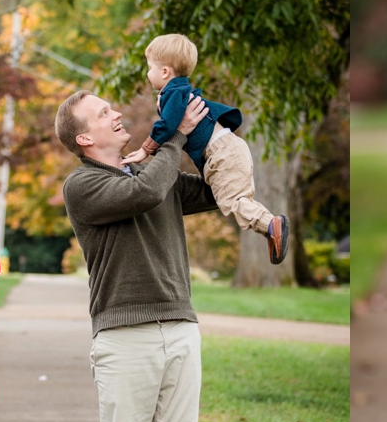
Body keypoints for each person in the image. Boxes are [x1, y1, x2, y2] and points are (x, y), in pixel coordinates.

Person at [56, 88, 217, 422]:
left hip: (180, 329)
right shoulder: (83, 184)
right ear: (84, 137)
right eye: (103, 112)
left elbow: (216, 190)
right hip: (124, 337)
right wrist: (168, 139)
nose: (115, 113)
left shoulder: (151, 169)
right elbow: (147, 192)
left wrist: (203, 138)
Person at [120, 33, 289, 264]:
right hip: (228, 149)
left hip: (222, 153)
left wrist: (146, 150)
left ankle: (271, 224)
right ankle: (270, 231)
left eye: (149, 67)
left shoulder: (173, 93)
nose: (148, 73)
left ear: (165, 72)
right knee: (238, 200)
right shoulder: (178, 91)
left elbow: (168, 125)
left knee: (233, 203)